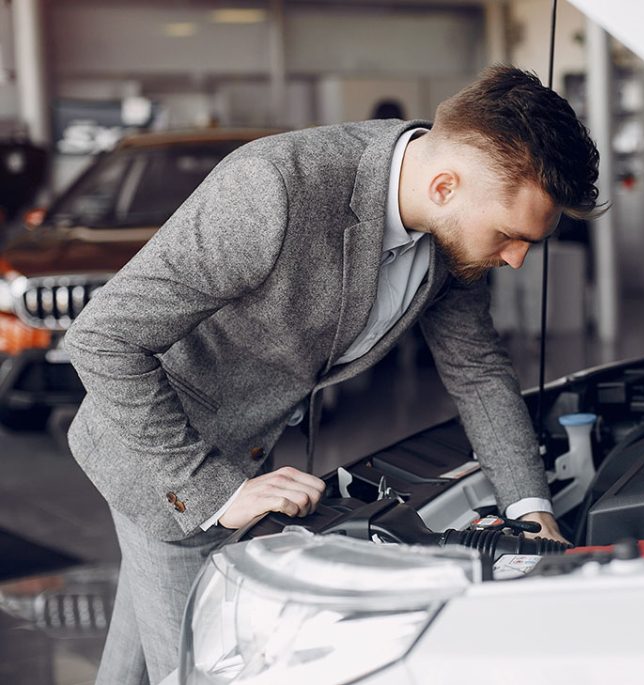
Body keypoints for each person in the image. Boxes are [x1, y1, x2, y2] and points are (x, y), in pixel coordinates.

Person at [64, 64, 601, 684]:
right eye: (510, 235)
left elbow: (477, 371)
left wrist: (530, 509)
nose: (515, 259)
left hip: (243, 451)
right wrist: (216, 491)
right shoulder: (275, 188)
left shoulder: (448, 230)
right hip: (165, 458)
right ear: (446, 186)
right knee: (198, 671)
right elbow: (104, 338)